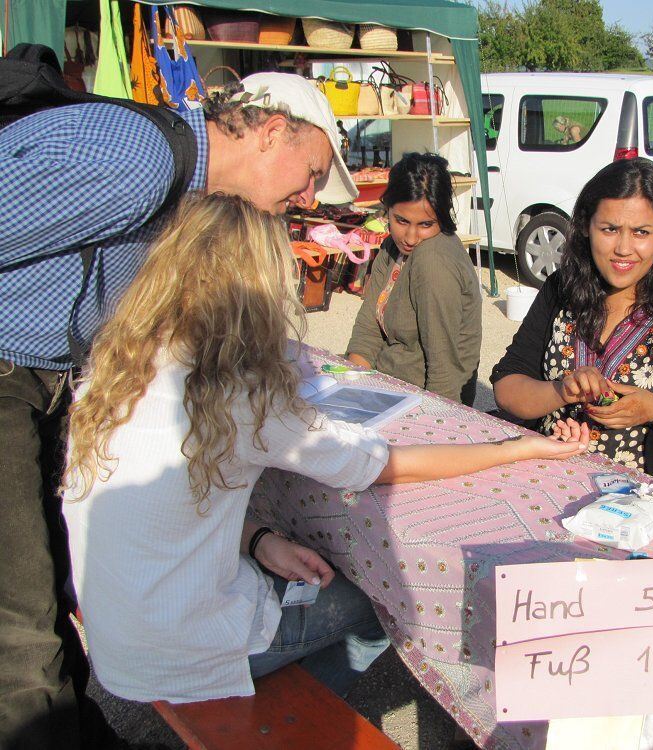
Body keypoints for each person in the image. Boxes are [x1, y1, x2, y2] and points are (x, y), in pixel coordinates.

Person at [60, 193, 590, 704]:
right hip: (186, 652)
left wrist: (260, 537)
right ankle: (281, 717)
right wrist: (510, 449)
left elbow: (165, 517)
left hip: (117, 638)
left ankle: (283, 702)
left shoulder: (116, 363)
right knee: (387, 593)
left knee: (322, 565)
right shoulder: (243, 395)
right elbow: (382, 465)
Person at [0, 71, 356, 748]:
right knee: (18, 630)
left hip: (35, 376)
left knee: (45, 593)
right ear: (272, 130)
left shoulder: (173, 179)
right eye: (310, 173)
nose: (308, 198)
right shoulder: (141, 162)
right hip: (8, 374)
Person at [491, 158, 653, 490]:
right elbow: (507, 387)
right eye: (609, 229)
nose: (623, 249)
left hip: (647, 510)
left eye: (641, 232)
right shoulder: (562, 289)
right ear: (585, 226)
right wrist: (561, 390)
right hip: (545, 484)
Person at [347, 153, 482, 406]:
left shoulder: (434, 260)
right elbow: (368, 330)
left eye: (425, 224)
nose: (410, 236)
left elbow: (445, 370)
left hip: (419, 402)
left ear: (442, 217)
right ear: (387, 208)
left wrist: (433, 429)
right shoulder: (391, 247)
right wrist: (353, 388)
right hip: (385, 388)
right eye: (401, 221)